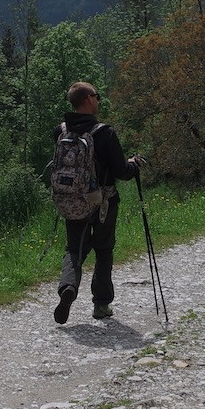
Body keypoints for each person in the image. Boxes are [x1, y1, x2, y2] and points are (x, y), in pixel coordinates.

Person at [52, 80, 145, 324]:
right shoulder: (105, 133)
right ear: (89, 100)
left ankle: (68, 289)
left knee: (75, 249)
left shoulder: (60, 131)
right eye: (97, 96)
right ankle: (101, 305)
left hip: (71, 201)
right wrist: (134, 165)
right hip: (103, 201)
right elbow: (121, 171)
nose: (98, 100)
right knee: (103, 250)